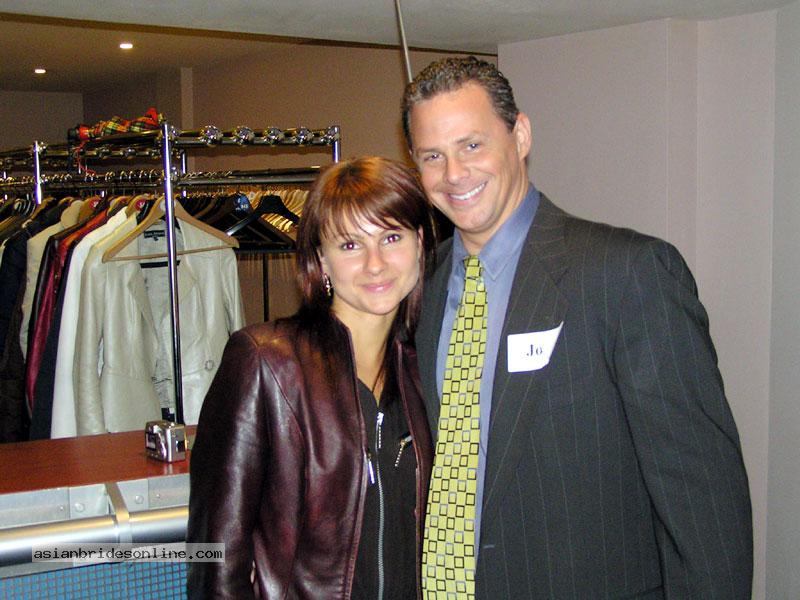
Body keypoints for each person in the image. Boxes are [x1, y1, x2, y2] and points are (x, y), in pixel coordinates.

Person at [402, 56, 753, 599]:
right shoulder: (418, 286)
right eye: (432, 155)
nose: (453, 174)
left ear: (520, 136)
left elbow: (702, 495)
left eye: (471, 145)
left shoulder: (625, 274)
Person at [187, 156, 437, 599]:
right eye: (350, 245)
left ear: (419, 243)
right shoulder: (265, 364)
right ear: (322, 259)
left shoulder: (426, 374)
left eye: (391, 237)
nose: (375, 263)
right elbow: (216, 556)